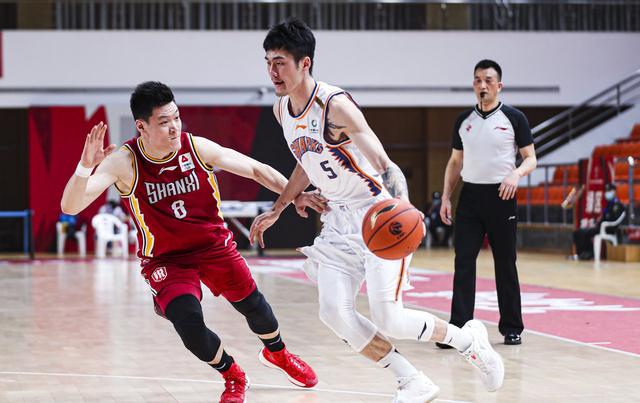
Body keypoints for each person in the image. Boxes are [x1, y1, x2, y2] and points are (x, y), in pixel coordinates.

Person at [249, 19, 504, 402]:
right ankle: (412, 380)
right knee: (333, 312)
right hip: (338, 222)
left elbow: (386, 166)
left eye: (280, 62)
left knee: (390, 318)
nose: (272, 71)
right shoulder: (281, 109)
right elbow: (306, 160)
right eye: (268, 62)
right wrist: (280, 207)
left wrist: (402, 205)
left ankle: (469, 341)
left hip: (377, 213)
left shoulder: (334, 106)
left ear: (305, 63)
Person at [60, 81, 322, 403]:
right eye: (164, 122)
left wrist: (295, 195)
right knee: (189, 325)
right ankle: (233, 374)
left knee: (255, 307)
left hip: (213, 246)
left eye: (176, 117)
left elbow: (256, 169)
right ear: (141, 127)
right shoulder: (124, 162)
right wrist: (85, 167)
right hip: (167, 260)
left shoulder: (196, 147)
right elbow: (71, 206)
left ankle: (278, 353)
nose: (174, 127)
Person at [439, 59, 537, 347]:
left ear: (499, 85)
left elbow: (531, 158)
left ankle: (511, 327)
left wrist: (516, 174)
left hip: (501, 198)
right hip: (470, 198)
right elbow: (455, 162)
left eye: (488, 81)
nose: (482, 85)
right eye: (478, 80)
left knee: (505, 263)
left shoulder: (514, 118)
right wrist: (446, 196)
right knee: (463, 262)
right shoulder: (463, 121)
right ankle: (458, 328)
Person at [571, 183, 626, 260]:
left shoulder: (617, 205)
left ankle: (585, 254)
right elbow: (605, 217)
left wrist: (603, 224)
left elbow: (614, 220)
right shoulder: (609, 204)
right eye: (606, 191)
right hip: (600, 227)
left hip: (607, 229)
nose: (607, 193)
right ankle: (585, 253)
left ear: (614, 192)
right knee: (579, 232)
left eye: (609, 190)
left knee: (581, 232)